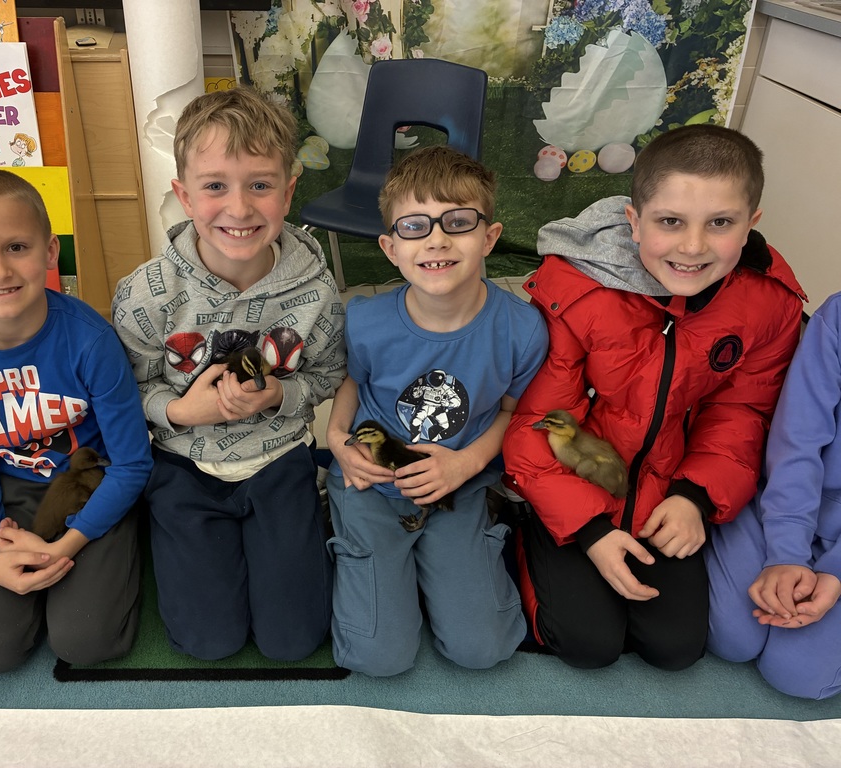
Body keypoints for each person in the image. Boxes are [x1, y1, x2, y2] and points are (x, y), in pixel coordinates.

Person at [502, 124, 806, 672]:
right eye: (671, 222)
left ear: (750, 225)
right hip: (573, 484)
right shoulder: (577, 291)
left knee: (675, 648)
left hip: (666, 490)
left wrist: (693, 498)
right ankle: (522, 541)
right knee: (588, 643)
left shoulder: (769, 302)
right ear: (634, 222)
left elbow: (742, 412)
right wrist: (591, 531)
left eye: (720, 223)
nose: (692, 247)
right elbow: (537, 422)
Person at [111, 87, 344, 662]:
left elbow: (329, 375)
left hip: (279, 461)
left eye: (260, 185)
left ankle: (298, 536)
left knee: (293, 642)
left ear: (288, 193)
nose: (238, 209)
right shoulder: (146, 292)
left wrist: (279, 395)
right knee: (206, 642)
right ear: (184, 196)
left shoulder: (317, 289)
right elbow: (122, 392)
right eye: (215, 185)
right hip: (182, 467)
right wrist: (182, 411)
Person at [0, 168, 152, 673]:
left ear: (49, 252)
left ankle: (120, 552)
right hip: (8, 493)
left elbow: (131, 463)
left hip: (92, 483)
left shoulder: (91, 339)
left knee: (86, 644)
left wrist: (65, 545)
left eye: (16, 246)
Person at [325, 145, 549, 677]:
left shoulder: (522, 329)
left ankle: (451, 566)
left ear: (490, 237)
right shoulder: (365, 318)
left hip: (461, 485)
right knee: (379, 657)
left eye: (458, 221)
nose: (437, 239)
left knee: (482, 649)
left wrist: (465, 465)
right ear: (390, 247)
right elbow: (352, 383)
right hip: (372, 486)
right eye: (415, 226)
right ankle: (372, 561)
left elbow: (515, 413)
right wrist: (337, 439)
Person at [706, 291, 841, 700]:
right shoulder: (837, 315)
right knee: (730, 636)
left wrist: (836, 571)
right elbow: (797, 440)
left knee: (799, 675)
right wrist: (785, 553)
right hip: (790, 503)